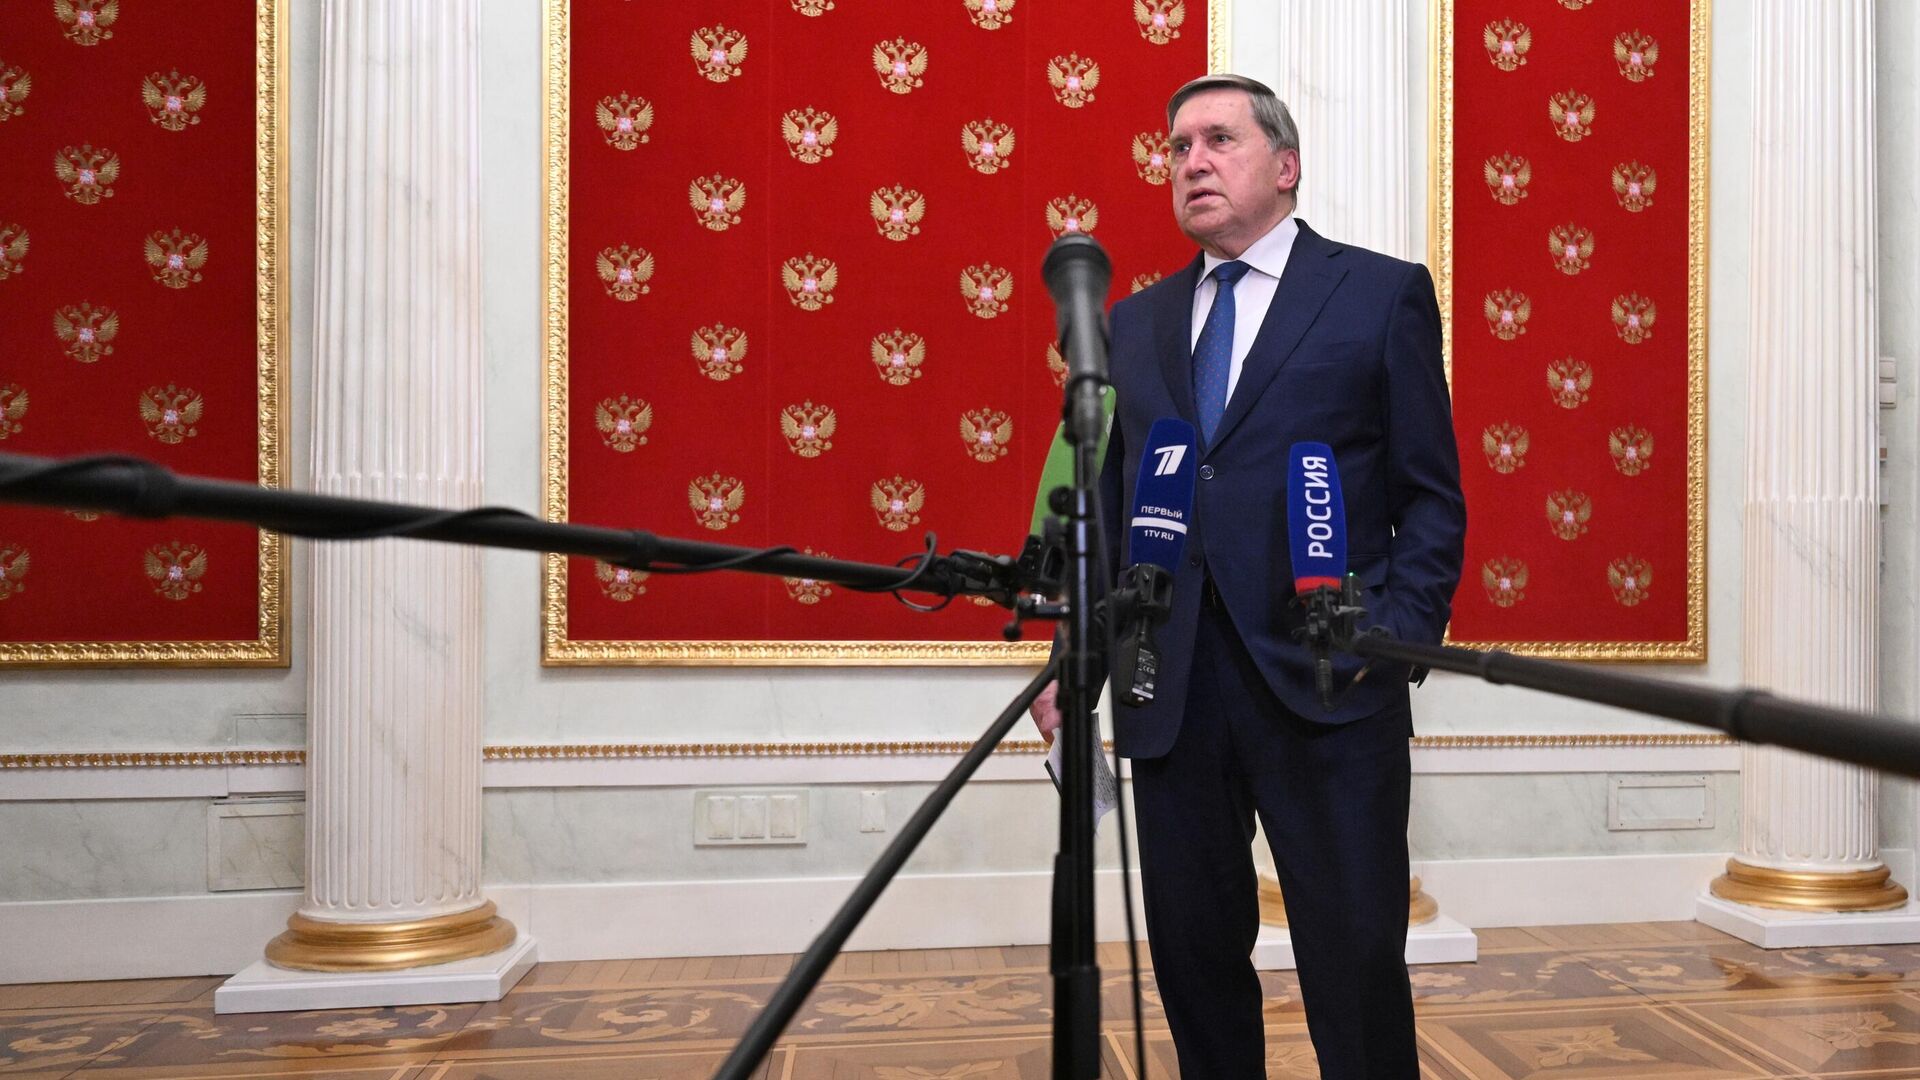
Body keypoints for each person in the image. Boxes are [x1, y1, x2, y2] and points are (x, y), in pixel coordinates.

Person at [1030, 74, 1465, 1079]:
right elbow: (1104, 509)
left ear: (1286, 164)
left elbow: (1431, 496)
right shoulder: (1132, 325)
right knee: (1193, 965)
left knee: (1355, 966)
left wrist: (1392, 638)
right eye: (1177, 147)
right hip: (1170, 690)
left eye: (1218, 140)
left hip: (1330, 686)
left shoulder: (1379, 294)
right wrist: (1074, 661)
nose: (1192, 162)